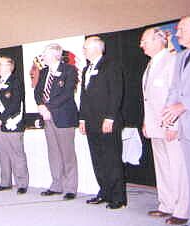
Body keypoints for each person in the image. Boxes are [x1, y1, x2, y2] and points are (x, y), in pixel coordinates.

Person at [140, 27, 190, 226]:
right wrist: (146, 121)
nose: (141, 44)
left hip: (170, 125)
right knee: (162, 168)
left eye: (145, 40)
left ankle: (182, 209)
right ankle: (167, 205)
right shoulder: (151, 64)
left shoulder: (173, 60)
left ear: (159, 40)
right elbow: (148, 98)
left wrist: (173, 125)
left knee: (178, 167)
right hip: (154, 125)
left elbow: (177, 95)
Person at [79, 36, 126, 209]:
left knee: (111, 159)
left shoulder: (111, 65)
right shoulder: (86, 69)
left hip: (107, 121)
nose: (83, 51)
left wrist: (110, 117)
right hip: (91, 122)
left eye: (85, 48)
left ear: (97, 49)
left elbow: (116, 93)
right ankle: (104, 192)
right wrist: (82, 118)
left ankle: (118, 197)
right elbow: (84, 97)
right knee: (98, 160)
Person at [162, 14, 190, 226]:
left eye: (181, 29)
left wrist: (183, 105)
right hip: (187, 128)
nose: (176, 34)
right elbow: (174, 89)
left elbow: (185, 99)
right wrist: (169, 113)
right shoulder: (182, 57)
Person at [34, 44, 79, 200]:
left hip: (64, 117)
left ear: (55, 55)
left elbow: (67, 93)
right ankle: (56, 184)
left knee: (67, 154)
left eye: (45, 54)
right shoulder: (44, 71)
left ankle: (70, 188)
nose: (42, 57)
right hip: (47, 118)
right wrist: (40, 105)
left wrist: (48, 108)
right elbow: (37, 91)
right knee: (53, 152)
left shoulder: (69, 70)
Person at [0, 56, 29, 194]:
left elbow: (14, 104)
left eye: (0, 64)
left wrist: (1, 119)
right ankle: (5, 181)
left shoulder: (15, 81)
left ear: (9, 66)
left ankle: (22, 183)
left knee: (17, 154)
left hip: (12, 123)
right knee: (3, 154)